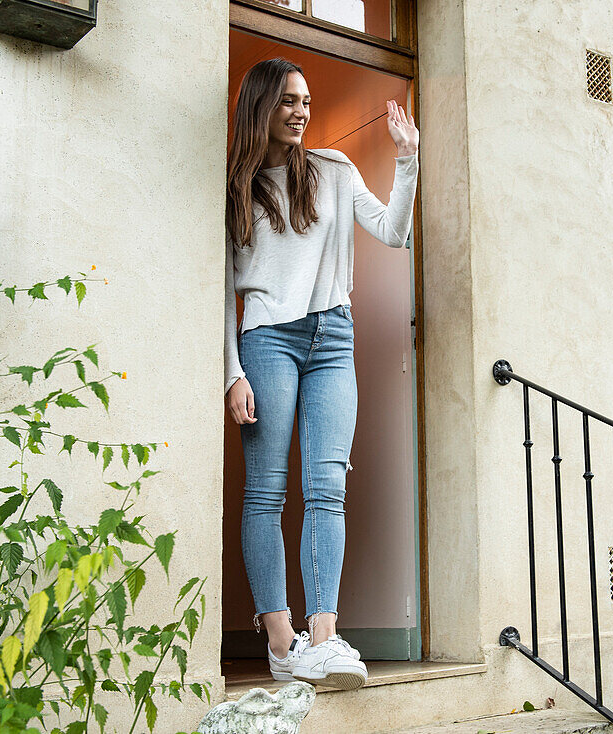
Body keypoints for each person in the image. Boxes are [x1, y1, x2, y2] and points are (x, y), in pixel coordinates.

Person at [224, 58, 419, 691]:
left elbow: (393, 232)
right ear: (260, 107)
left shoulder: (334, 171)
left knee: (326, 487)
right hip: (266, 340)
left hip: (334, 336)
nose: (302, 110)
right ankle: (283, 643)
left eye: (306, 101)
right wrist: (231, 373)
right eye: (287, 101)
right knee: (267, 491)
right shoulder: (235, 186)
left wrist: (407, 159)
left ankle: (325, 640)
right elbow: (218, 289)